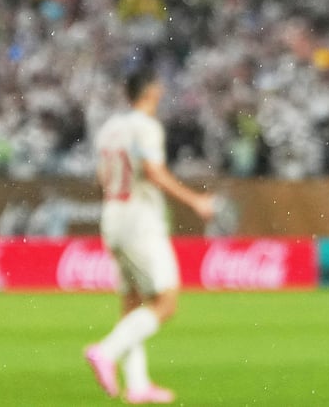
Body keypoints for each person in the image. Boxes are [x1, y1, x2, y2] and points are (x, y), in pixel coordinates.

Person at [84, 67, 215, 404]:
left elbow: (100, 178)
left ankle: (138, 384)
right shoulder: (146, 127)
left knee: (132, 302)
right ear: (151, 92)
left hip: (112, 214)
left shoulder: (109, 129)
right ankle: (106, 351)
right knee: (166, 302)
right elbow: (154, 172)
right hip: (139, 219)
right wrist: (196, 201)